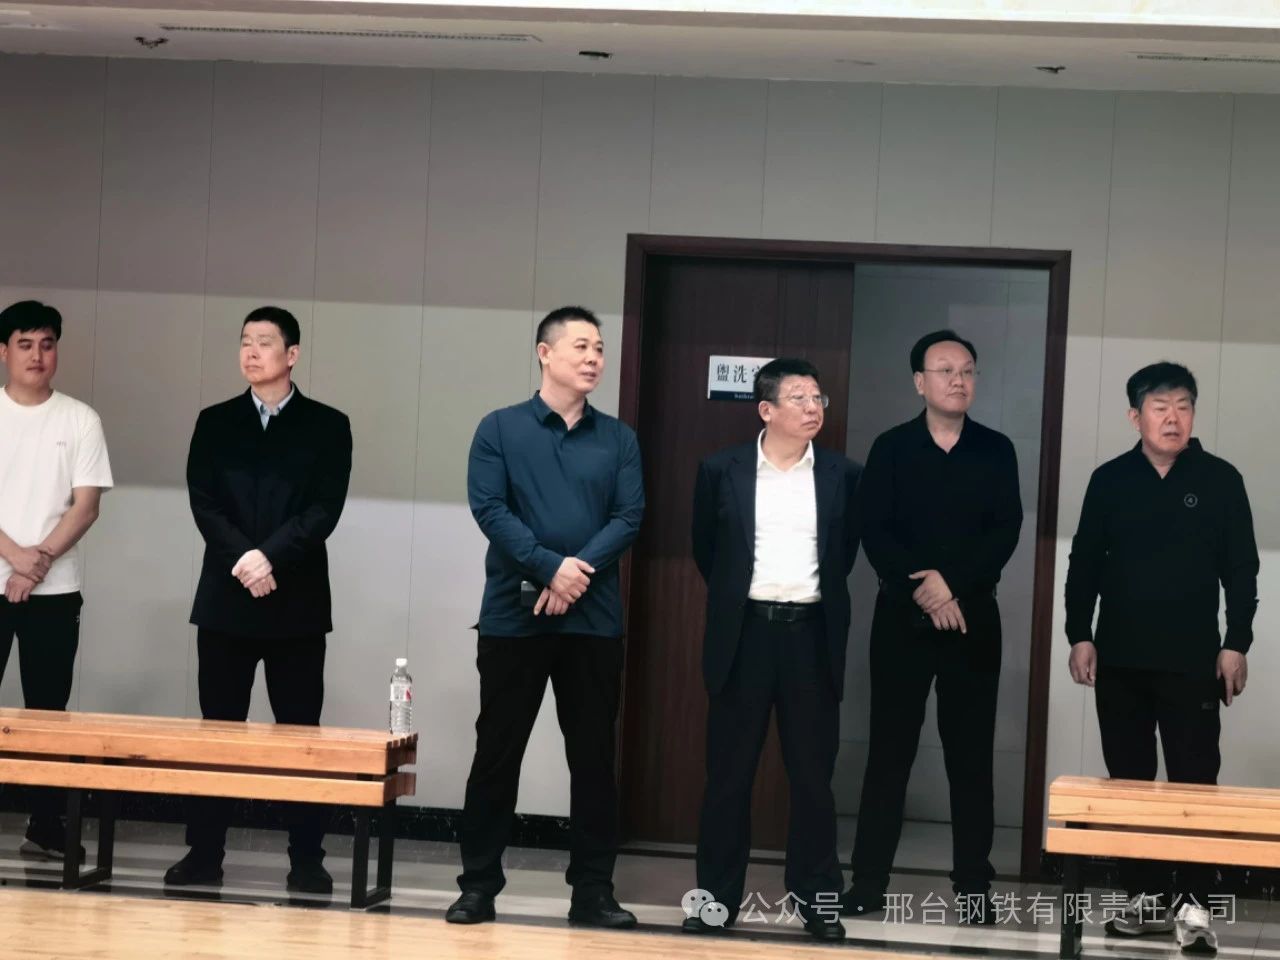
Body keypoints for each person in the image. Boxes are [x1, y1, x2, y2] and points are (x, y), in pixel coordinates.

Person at [446, 306, 644, 929]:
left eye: (599, 349)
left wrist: (572, 574)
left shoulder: (619, 438)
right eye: (581, 346)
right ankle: (478, 886)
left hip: (592, 622)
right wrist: (547, 567)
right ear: (544, 353)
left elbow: (628, 517)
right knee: (497, 754)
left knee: (593, 761)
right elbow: (489, 508)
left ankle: (593, 892)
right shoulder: (500, 428)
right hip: (514, 618)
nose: (593, 358)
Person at [1064, 361, 1257, 955]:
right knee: (1129, 782)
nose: (1173, 418)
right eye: (1159, 407)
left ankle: (1195, 908)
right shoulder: (1110, 480)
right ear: (1135, 415)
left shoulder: (1220, 479)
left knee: (1195, 784)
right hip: (1120, 659)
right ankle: (1145, 899)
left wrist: (1236, 642)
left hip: (1193, 660)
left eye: (1183, 406)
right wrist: (1079, 634)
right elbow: (1084, 563)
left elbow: (1242, 569)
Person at [164, 306, 352, 894]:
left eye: (264, 342)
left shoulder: (328, 425)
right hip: (227, 598)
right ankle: (204, 854)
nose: (251, 352)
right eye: (245, 341)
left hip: (296, 602)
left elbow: (324, 509)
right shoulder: (216, 421)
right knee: (218, 730)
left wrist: (268, 558)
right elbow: (204, 501)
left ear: (291, 355)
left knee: (301, 734)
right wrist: (244, 560)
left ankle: (306, 858)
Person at [845, 329, 1022, 922]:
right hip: (901, 618)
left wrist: (953, 585)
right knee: (889, 753)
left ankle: (974, 889)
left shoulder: (996, 450)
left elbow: (1005, 530)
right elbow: (874, 528)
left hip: (973, 620)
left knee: (970, 758)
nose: (958, 380)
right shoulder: (892, 447)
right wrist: (923, 590)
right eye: (944, 370)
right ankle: (868, 881)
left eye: (967, 370)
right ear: (919, 382)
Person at [685, 358, 861, 942]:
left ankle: (818, 902)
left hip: (811, 636)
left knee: (813, 779)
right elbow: (708, 551)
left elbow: (843, 555)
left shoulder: (842, 474)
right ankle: (714, 901)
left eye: (818, 398)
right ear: (766, 410)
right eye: (799, 398)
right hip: (745, 635)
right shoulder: (722, 469)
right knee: (728, 777)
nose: (813, 408)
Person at [0, 300, 113, 859]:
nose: (37, 355)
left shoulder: (80, 418)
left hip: (55, 589)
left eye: (47, 344)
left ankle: (45, 827)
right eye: (25, 344)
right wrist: (15, 558)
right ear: (4, 352)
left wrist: (37, 562)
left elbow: (86, 506)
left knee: (48, 710)